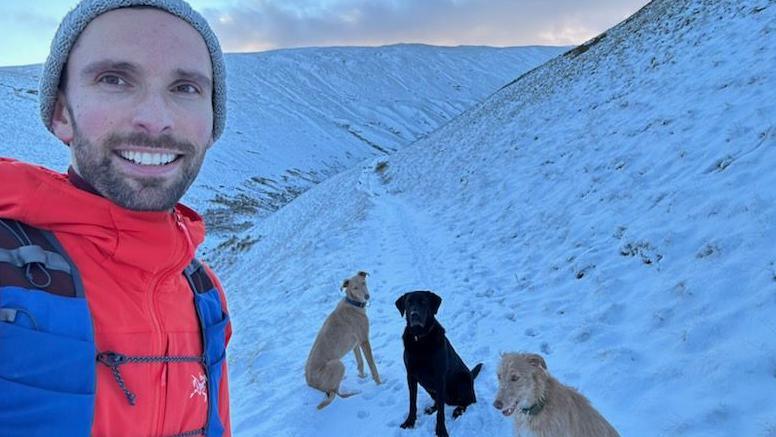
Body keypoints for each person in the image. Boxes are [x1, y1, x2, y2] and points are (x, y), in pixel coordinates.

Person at [0, 1, 231, 435]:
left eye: (185, 88)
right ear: (60, 112)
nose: (156, 120)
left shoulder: (203, 292)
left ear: (212, 122)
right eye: (114, 79)